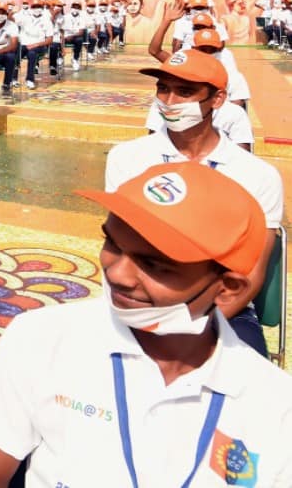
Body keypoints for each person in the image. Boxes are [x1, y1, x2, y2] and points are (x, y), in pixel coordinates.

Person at [0, 162, 292, 488]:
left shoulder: (273, 406)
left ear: (227, 287)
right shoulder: (41, 340)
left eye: (154, 265)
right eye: (113, 244)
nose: (117, 273)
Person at [105, 49, 283, 357]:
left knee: (245, 387)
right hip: (137, 301)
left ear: (217, 99)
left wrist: (183, 330)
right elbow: (119, 247)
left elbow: (251, 275)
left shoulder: (257, 175)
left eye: (185, 92)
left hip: (221, 307)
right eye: (163, 88)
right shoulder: (128, 158)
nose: (170, 101)